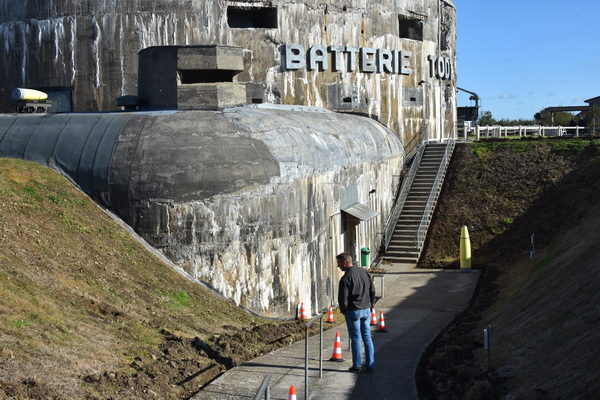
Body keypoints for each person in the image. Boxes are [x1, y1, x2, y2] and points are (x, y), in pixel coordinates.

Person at [336, 252, 375, 373]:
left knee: (356, 338)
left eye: (339, 264)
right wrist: (371, 305)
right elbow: (372, 290)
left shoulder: (345, 278)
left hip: (354, 311)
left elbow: (343, 299)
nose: (338, 266)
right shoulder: (365, 272)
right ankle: (370, 365)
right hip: (366, 309)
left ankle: (357, 365)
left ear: (344, 262)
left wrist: (344, 310)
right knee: (367, 337)